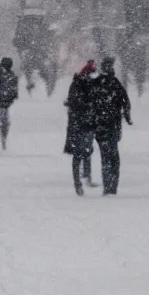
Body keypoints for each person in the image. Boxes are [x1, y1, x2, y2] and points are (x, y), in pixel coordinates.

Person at [92, 56, 132, 195]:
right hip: (113, 124)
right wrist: (127, 117)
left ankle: (108, 185)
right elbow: (125, 102)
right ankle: (112, 186)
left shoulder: (96, 83)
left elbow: (89, 103)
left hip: (100, 125)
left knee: (106, 155)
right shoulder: (115, 83)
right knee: (113, 155)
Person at [64, 61, 98, 195]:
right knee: (84, 151)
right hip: (84, 124)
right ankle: (82, 179)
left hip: (78, 124)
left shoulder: (77, 84)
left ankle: (80, 180)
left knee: (81, 152)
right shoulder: (86, 85)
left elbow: (72, 102)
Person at [0, 57, 19, 151]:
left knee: (2, 118)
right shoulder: (12, 75)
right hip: (5, 101)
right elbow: (14, 89)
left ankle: (2, 133)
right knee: (4, 119)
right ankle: (3, 134)